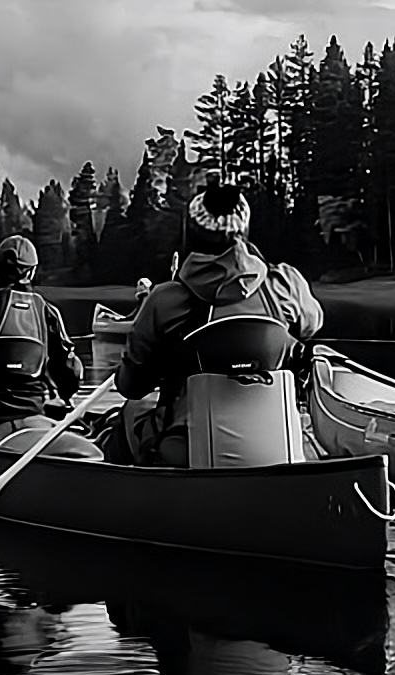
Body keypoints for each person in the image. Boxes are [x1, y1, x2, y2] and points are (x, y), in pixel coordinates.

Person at [113, 180, 325, 466]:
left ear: (192, 233)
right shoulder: (286, 285)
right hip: (279, 447)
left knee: (130, 410)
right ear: (244, 232)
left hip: (188, 451)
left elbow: (131, 386)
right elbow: (310, 326)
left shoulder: (164, 300)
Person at [0, 234, 90, 451]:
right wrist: (66, 397)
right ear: (32, 271)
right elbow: (70, 368)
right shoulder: (47, 311)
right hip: (32, 413)